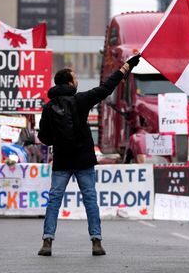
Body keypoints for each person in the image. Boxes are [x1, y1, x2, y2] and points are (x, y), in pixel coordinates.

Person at [37, 54, 141, 256]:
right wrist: (126, 67)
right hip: (83, 160)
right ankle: (96, 241)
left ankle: (47, 241)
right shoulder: (81, 100)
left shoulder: (48, 108)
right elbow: (106, 88)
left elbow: (44, 138)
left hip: (61, 161)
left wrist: (58, 139)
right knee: (90, 200)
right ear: (69, 82)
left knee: (54, 201)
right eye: (75, 78)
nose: (77, 81)